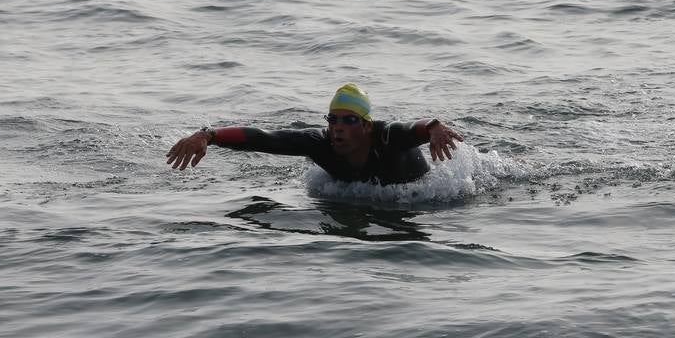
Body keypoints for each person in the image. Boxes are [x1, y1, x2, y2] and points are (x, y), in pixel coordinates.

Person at [165, 83, 464, 185]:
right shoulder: (320, 144)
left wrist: (434, 127)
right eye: (333, 119)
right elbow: (265, 138)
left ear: (366, 126)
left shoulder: (387, 137)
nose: (338, 127)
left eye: (349, 120)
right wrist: (209, 135)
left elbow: (414, 128)